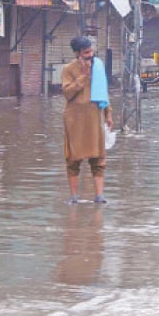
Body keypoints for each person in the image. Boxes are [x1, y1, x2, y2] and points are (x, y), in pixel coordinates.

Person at [61, 36, 113, 204]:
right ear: (77, 54)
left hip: (94, 118)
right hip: (74, 119)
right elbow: (67, 93)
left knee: (98, 158)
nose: (90, 55)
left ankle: (99, 196)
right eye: (86, 52)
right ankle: (74, 197)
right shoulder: (68, 69)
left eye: (91, 51)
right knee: (73, 158)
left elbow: (104, 92)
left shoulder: (98, 67)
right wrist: (83, 77)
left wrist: (108, 114)